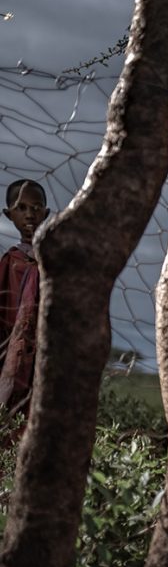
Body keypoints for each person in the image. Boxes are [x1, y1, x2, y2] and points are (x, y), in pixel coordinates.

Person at [0, 179, 49, 427]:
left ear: (47, 213)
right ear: (9, 215)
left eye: (36, 207)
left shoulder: (55, 260)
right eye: (21, 208)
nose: (30, 214)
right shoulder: (10, 262)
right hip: (11, 350)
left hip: (45, 352)